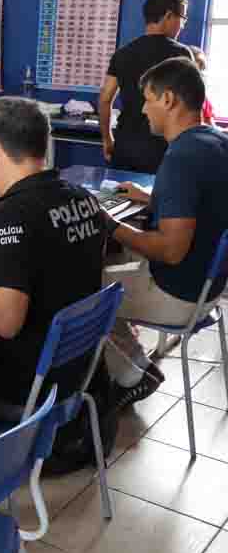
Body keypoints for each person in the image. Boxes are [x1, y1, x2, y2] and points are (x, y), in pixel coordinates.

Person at [0, 97, 107, 420]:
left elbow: (5, 320)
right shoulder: (85, 200)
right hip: (75, 373)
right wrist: (9, 245)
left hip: (24, 390)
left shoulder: (14, 212)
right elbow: (66, 256)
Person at [101, 57, 228, 407]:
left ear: (169, 100)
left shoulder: (181, 156)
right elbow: (201, 204)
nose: (143, 109)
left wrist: (112, 226)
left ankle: (130, 377)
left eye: (148, 99)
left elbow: (171, 250)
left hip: (177, 295)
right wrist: (151, 198)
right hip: (208, 289)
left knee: (79, 288)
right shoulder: (215, 141)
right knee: (111, 262)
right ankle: (134, 362)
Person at [99, 0, 192, 173]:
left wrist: (107, 138)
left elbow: (105, 98)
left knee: (122, 196)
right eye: (182, 19)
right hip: (162, 149)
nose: (182, 26)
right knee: (157, 199)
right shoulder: (180, 54)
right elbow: (190, 104)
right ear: (168, 16)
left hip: (125, 146)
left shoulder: (123, 53)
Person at [188, 45, 216, 124]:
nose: (201, 73)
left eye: (202, 68)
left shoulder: (203, 98)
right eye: (198, 67)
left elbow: (211, 126)